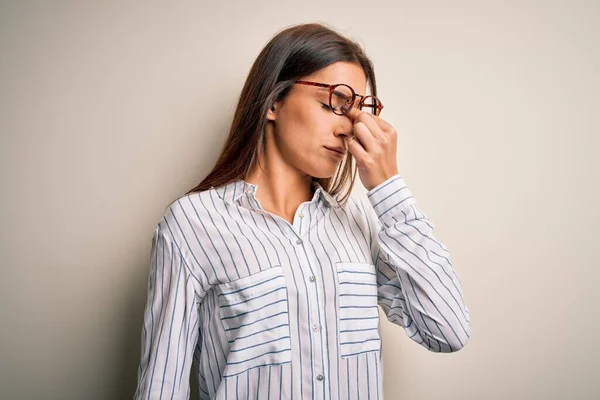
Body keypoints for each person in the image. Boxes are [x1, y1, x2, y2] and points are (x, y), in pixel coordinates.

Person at [134, 22, 470, 400]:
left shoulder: (361, 222)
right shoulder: (191, 226)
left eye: (359, 111)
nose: (350, 128)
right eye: (337, 102)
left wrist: (388, 187)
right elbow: (161, 387)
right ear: (274, 101)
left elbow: (447, 330)